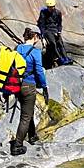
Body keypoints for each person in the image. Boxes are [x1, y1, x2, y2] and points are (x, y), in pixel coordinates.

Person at [10, 28, 49, 156]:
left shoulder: (17, 48)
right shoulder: (36, 52)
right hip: (29, 85)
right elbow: (38, 70)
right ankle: (17, 146)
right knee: (25, 117)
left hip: (17, 85)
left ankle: (32, 136)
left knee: (28, 110)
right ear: (35, 37)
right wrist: (44, 86)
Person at [37, 0, 70, 68]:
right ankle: (60, 59)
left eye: (52, 7)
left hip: (55, 30)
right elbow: (42, 24)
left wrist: (59, 31)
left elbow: (59, 23)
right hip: (47, 30)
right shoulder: (43, 12)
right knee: (53, 44)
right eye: (49, 7)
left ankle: (65, 58)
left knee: (60, 44)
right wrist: (42, 35)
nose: (50, 8)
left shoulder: (58, 13)